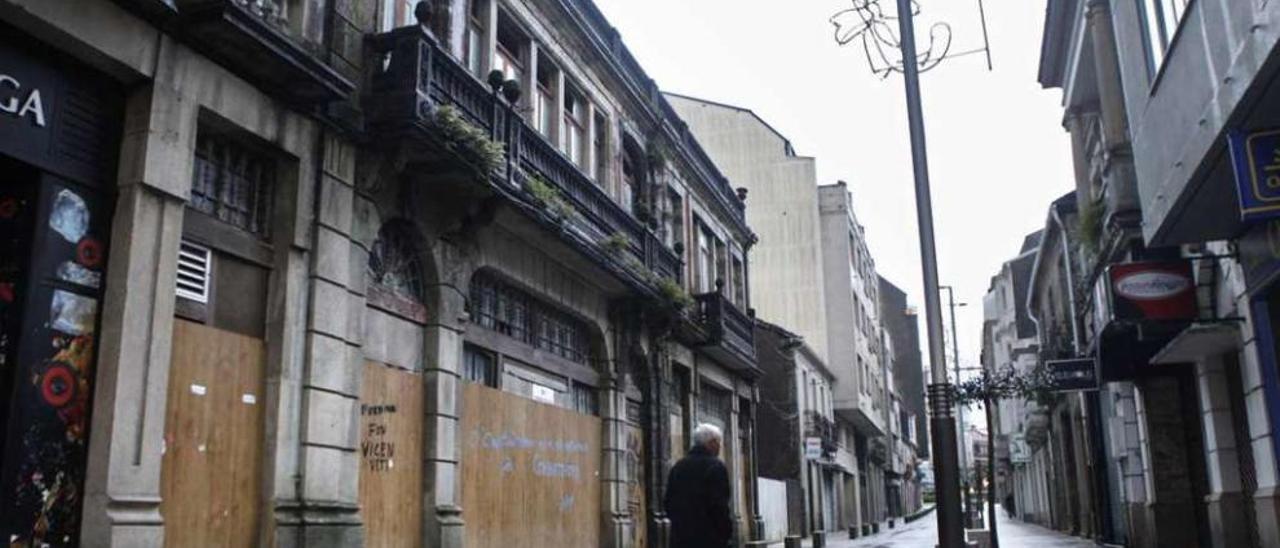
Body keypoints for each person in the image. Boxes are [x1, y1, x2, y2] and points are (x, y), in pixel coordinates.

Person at [664, 423, 732, 548]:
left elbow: (668, 503)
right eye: (718, 442)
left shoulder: (678, 467)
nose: (720, 447)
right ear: (711, 443)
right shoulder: (716, 467)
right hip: (709, 539)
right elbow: (720, 507)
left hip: (680, 539)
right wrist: (726, 534)